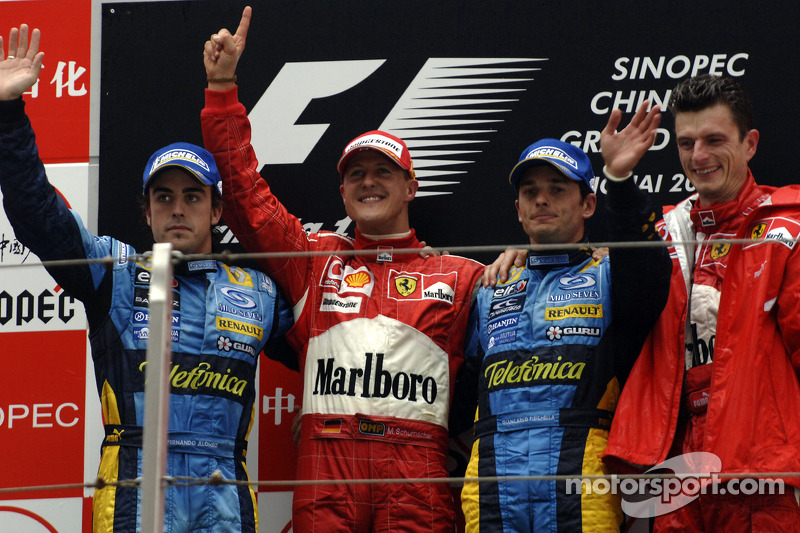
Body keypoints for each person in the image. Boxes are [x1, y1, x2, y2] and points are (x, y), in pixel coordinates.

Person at [200, 7, 485, 532]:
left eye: (383, 172)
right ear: (342, 191)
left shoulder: (463, 275)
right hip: (327, 466)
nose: (369, 182)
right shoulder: (315, 258)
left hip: (417, 467)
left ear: (410, 186)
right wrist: (222, 90)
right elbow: (243, 195)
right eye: (356, 174)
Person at [0, 25, 293, 533]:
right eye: (164, 197)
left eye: (192, 196)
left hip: (222, 492)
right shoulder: (115, 273)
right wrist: (7, 115)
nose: (178, 209)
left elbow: (336, 339)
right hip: (133, 488)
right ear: (147, 211)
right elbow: (38, 215)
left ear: (217, 208)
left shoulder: (259, 291)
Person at [457, 100, 672, 532]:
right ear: (518, 210)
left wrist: (622, 181)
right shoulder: (488, 285)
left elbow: (650, 273)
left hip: (583, 483)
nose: (542, 199)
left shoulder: (612, 274)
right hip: (493, 487)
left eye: (557, 189)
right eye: (530, 191)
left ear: (588, 205)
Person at [603, 74, 800, 531]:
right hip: (676, 467)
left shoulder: (787, 228)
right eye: (686, 143)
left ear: (749, 144)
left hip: (761, 466)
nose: (699, 157)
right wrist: (618, 178)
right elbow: (623, 288)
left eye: (714, 140)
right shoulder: (666, 231)